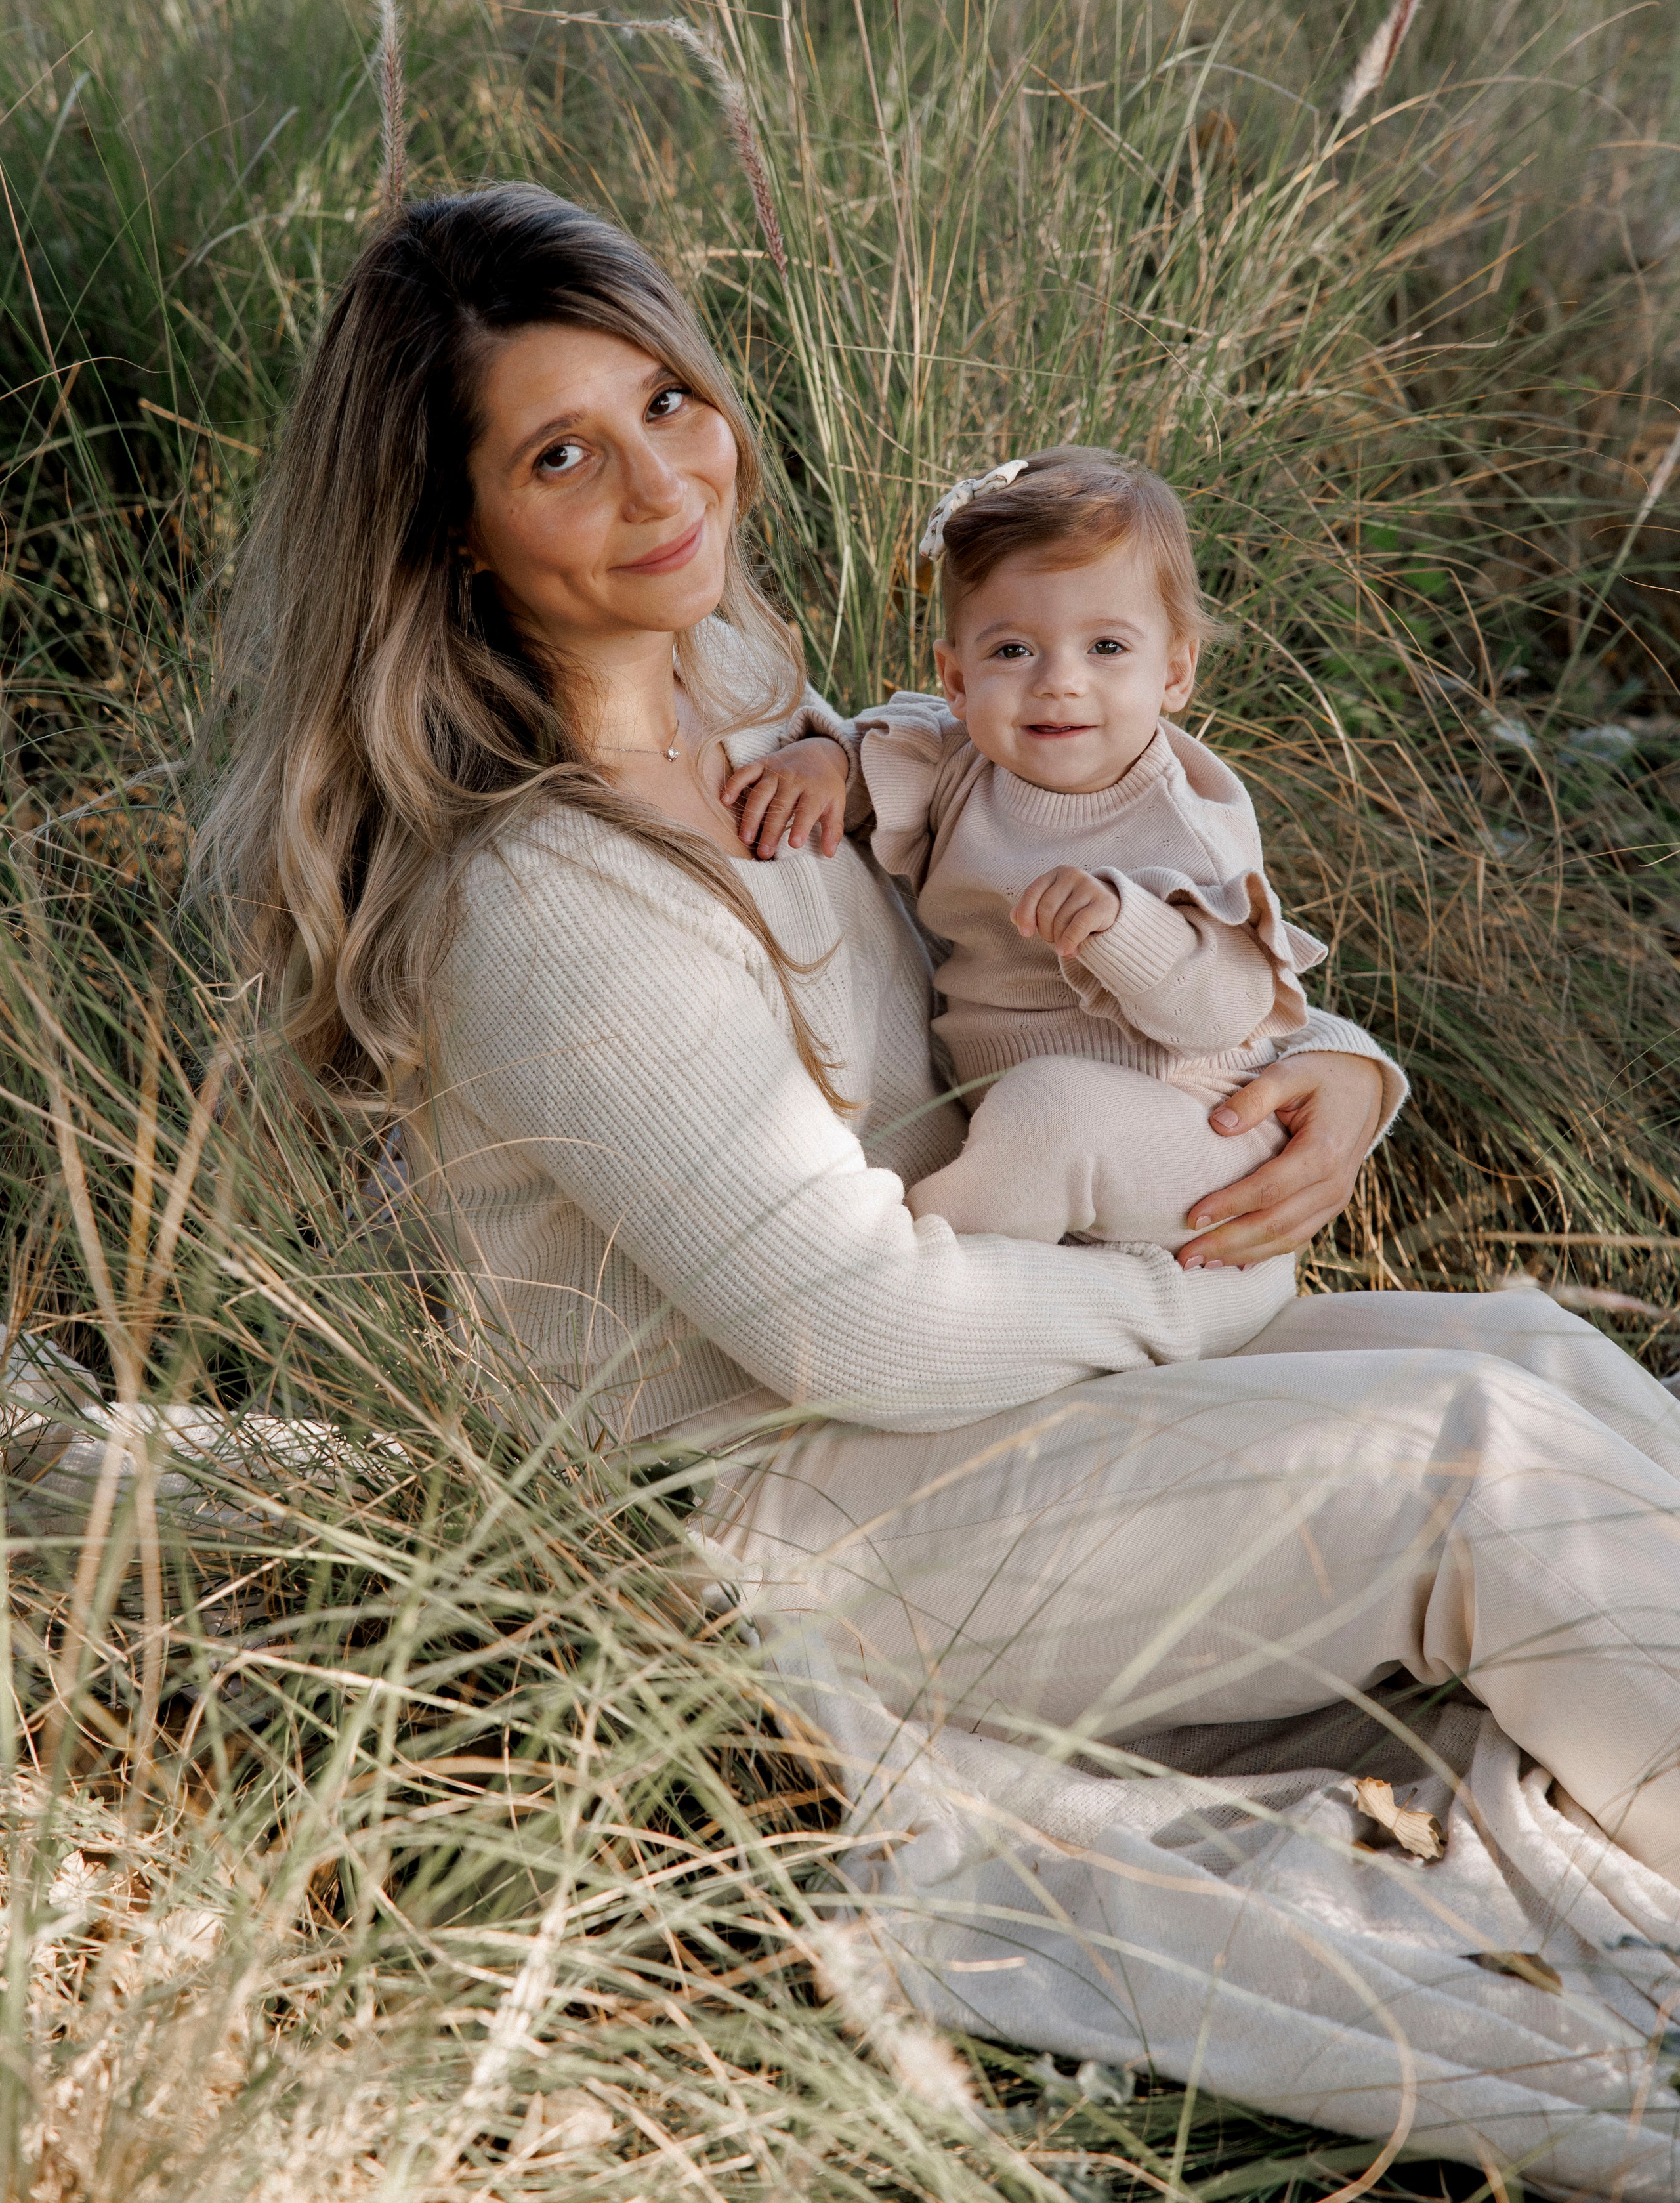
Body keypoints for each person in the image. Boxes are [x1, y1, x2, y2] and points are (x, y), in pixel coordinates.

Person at [197, 181, 1680, 1911]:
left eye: (667, 400)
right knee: (1477, 1473)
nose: (666, 483)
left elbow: (1047, 918)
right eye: (561, 457)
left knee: (1536, 1355)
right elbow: (860, 1328)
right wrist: (1227, 1296)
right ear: (450, 529)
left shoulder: (740, 694)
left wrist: (1333, 1067)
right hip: (784, 1530)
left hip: (1009, 1363)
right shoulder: (542, 896)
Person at [720, 445, 1332, 1349]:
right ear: (959, 678)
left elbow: (1231, 1005)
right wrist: (823, 762)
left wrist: (1129, 931)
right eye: (1013, 649)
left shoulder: (1188, 821)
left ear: (1175, 672)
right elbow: (879, 761)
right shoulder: (962, 760)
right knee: (1043, 1119)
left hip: (1194, 1136)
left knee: (1053, 1110)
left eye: (1108, 647)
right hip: (1041, 1146)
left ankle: (904, 1284)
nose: (1059, 680)